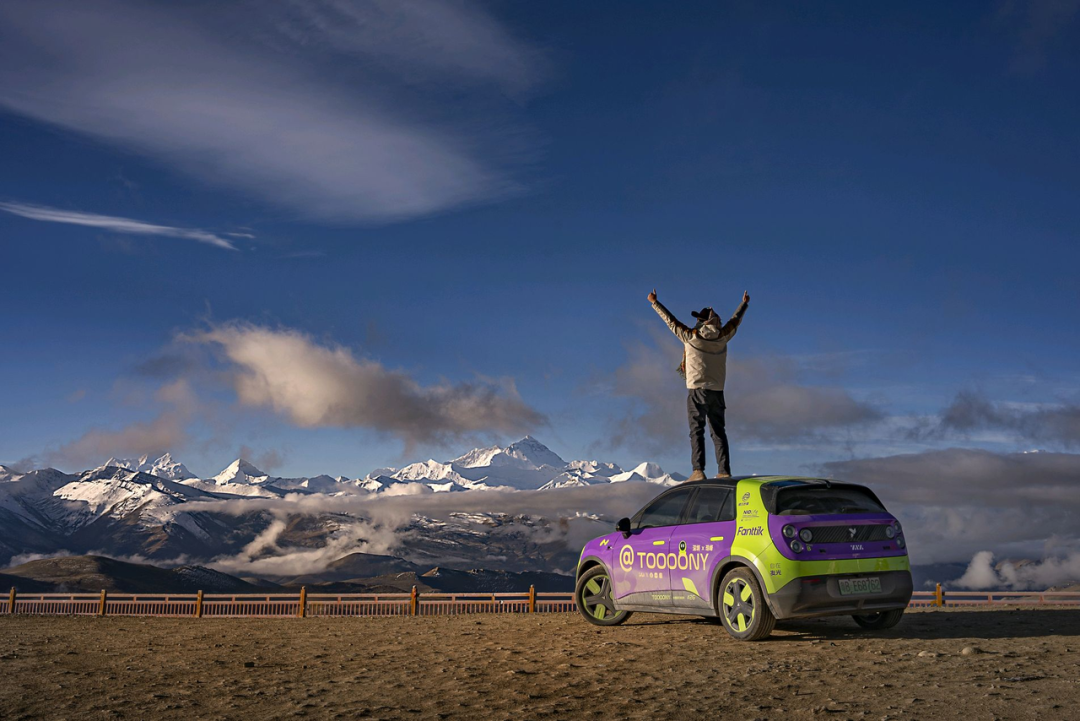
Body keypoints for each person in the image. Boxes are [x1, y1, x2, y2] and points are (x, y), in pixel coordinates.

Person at [648, 288, 749, 481]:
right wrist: (743, 304)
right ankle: (724, 471)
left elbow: (671, 321)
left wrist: (655, 303)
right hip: (717, 392)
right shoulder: (723, 337)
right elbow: (735, 321)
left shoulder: (691, 336)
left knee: (696, 430)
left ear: (702, 322)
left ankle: (698, 471)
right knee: (718, 433)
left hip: (696, 391)